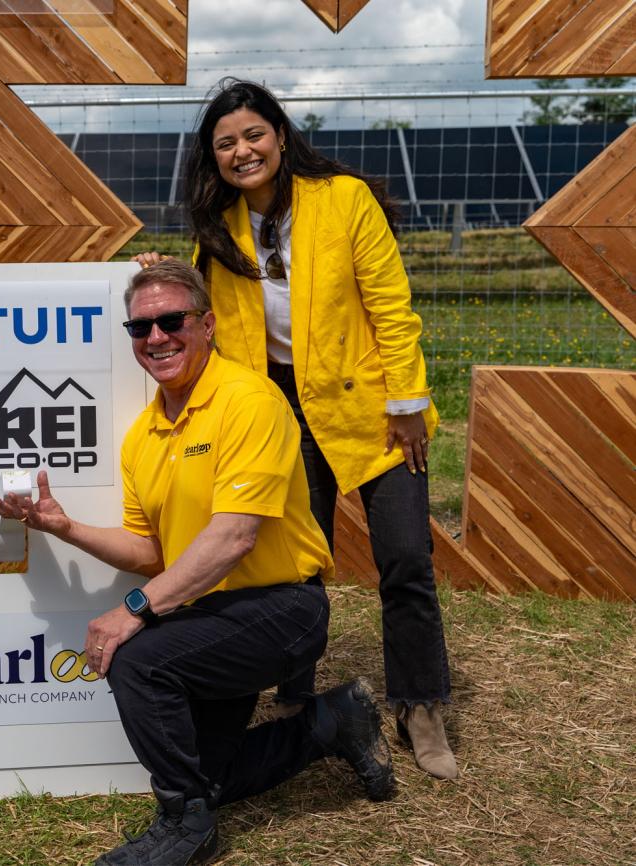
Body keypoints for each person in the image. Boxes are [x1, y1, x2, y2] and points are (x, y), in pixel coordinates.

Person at [0, 261, 395, 866]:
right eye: (141, 327)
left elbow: (234, 537)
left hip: (284, 607)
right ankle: (331, 722)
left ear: (206, 325)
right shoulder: (143, 435)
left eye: (172, 321)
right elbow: (151, 551)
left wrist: (133, 609)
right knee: (214, 773)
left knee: (136, 659)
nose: (156, 337)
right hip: (210, 613)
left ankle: (184, 826)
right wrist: (64, 527)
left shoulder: (249, 401)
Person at [138, 78, 456, 780]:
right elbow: (192, 303)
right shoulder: (216, 224)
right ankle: (295, 688)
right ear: (213, 158)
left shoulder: (345, 199)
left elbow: (392, 306)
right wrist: (157, 271)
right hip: (278, 411)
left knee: (404, 558)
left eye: (253, 134)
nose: (242, 150)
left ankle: (421, 704)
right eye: (226, 143)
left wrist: (407, 401)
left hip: (371, 408)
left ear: (281, 135)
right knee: (292, 563)